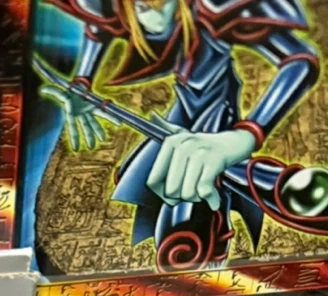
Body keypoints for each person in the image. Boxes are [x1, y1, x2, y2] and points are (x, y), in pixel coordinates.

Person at [36, 0, 318, 269]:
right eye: (141, 7)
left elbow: (299, 61)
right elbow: (98, 27)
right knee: (149, 179)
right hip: (182, 110)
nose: (154, 18)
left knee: (195, 192)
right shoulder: (115, 9)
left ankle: (276, 192)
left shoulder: (214, 8)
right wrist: (82, 84)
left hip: (216, 110)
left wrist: (246, 136)